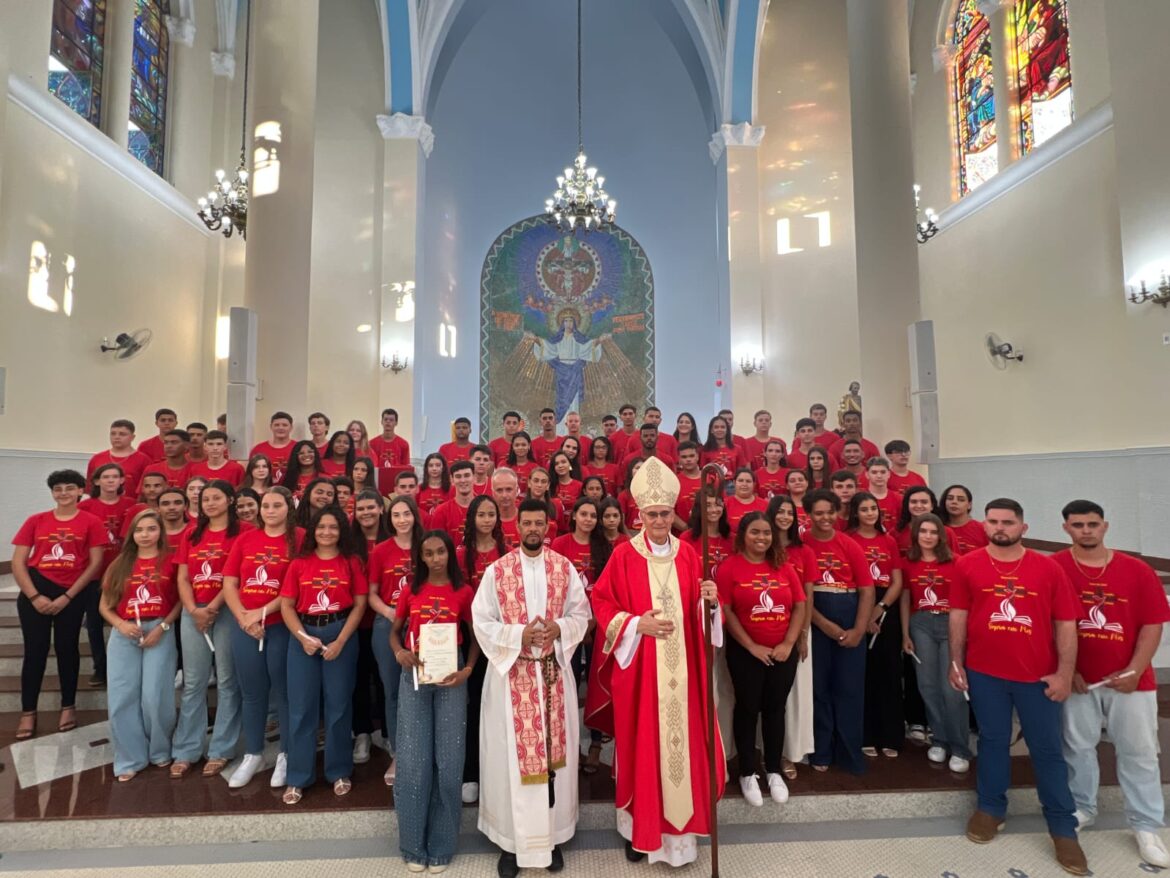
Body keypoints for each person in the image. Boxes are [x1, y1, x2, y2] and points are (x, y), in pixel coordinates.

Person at [589, 457, 725, 866]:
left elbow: (702, 613)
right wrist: (635, 623)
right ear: (640, 514)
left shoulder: (689, 556)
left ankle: (682, 837)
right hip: (643, 673)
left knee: (683, 747)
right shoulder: (624, 556)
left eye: (666, 513)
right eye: (652, 514)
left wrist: (711, 605)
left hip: (685, 674)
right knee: (642, 745)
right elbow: (601, 600)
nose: (660, 519)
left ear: (674, 512)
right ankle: (639, 831)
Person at [948, 499, 1087, 875]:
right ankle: (991, 809)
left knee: (1047, 750)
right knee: (992, 741)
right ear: (984, 524)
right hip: (985, 674)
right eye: (993, 521)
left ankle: (1062, 828)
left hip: (1037, 677)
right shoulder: (967, 564)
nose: (1000, 528)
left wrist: (1064, 673)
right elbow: (959, 615)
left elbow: (1066, 624)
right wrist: (956, 662)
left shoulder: (1048, 567)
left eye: (1008, 522)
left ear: (1023, 527)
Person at [472, 499, 591, 876]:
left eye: (540, 523)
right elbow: (482, 621)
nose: (533, 529)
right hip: (512, 679)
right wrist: (517, 634)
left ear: (548, 527)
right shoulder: (497, 571)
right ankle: (511, 844)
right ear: (517, 527)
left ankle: (552, 838)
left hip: (553, 674)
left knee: (554, 762)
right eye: (527, 523)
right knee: (509, 761)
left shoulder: (564, 567)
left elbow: (581, 614)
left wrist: (561, 629)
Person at [1055, 500, 1170, 868]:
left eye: (1092, 524)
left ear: (1105, 526)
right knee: (1077, 747)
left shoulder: (1137, 571)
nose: (1086, 530)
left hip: (1131, 682)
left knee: (1139, 752)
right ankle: (1082, 809)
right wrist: (1067, 668)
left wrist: (1135, 670)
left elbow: (1153, 624)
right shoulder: (1054, 567)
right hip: (1078, 681)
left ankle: (1146, 824)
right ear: (1066, 529)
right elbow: (1047, 623)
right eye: (1078, 525)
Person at [390, 530, 481, 872]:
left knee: (449, 761)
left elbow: (474, 638)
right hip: (414, 675)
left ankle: (442, 845)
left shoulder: (463, 591)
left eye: (440, 551)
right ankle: (413, 845)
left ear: (449, 553)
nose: (435, 558)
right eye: (428, 554)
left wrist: (468, 669)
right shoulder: (412, 591)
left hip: (451, 677)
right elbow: (394, 630)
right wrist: (399, 651)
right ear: (422, 558)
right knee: (414, 763)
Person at [279, 507, 368, 804]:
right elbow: (287, 606)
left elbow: (359, 603)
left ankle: (338, 770)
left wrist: (342, 640)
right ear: (313, 530)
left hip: (340, 632)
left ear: (341, 530)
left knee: (339, 706)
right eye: (321, 527)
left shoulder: (351, 562)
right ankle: (298, 776)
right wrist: (303, 638)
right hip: (305, 635)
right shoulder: (299, 564)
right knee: (302, 708)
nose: (327, 532)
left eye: (333, 527)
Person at [718, 511, 805, 807]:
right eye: (755, 532)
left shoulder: (784, 566)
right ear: (743, 535)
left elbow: (799, 607)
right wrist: (752, 646)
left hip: (783, 652)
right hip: (746, 653)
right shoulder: (729, 568)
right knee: (747, 708)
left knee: (775, 709)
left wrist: (788, 643)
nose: (762, 538)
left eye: (766, 533)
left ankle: (773, 769)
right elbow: (727, 612)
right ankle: (746, 771)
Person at [11, 470, 105, 739]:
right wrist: (34, 596)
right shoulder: (36, 520)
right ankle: (28, 712)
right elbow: (19, 562)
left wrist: (68, 596)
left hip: (72, 593)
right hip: (36, 589)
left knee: (67, 649)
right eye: (58, 489)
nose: (63, 493)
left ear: (80, 491)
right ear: (52, 493)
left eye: (69, 488)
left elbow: (95, 563)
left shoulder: (91, 521)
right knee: (35, 652)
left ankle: (68, 706)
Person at [221, 486, 302, 789]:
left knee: (283, 691)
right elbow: (230, 583)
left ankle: (285, 753)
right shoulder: (245, 539)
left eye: (276, 505)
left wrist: (261, 613)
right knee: (252, 692)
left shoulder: (300, 538)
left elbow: (295, 586)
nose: (269, 510)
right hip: (245, 626)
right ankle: (254, 753)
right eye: (265, 505)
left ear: (288, 507)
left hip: (281, 624)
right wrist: (244, 616)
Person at [171, 480, 248, 778]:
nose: (210, 503)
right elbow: (182, 577)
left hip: (227, 610)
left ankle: (221, 749)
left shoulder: (243, 532)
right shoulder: (192, 533)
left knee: (228, 680)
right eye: (205, 499)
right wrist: (193, 610)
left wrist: (213, 608)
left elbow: (238, 575)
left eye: (217, 498)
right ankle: (187, 748)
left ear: (230, 500)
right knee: (194, 682)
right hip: (194, 612)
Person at [98, 509, 180, 780]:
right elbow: (105, 605)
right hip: (125, 633)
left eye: (151, 529)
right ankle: (129, 758)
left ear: (160, 532)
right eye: (139, 530)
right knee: (122, 697)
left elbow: (180, 600)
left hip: (159, 630)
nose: (145, 535)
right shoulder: (120, 563)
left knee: (155, 696)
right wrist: (120, 625)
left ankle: (159, 749)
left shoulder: (171, 562)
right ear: (132, 534)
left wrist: (163, 626)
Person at [803, 489, 874, 774]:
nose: (825, 518)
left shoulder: (849, 544)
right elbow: (802, 594)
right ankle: (821, 750)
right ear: (809, 515)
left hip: (849, 611)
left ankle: (849, 752)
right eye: (818, 513)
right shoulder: (803, 544)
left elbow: (867, 589)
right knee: (819, 688)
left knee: (849, 688)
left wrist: (858, 629)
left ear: (838, 513)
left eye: (829, 512)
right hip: (815, 615)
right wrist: (821, 623)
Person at [899, 513, 972, 773]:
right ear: (916, 534)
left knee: (951, 688)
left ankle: (960, 748)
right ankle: (939, 739)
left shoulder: (958, 562)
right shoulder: (908, 563)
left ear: (941, 535)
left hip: (950, 624)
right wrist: (905, 633)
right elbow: (906, 599)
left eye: (933, 532)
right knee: (927, 686)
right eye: (923, 531)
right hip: (921, 625)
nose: (928, 536)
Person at [368, 494, 424, 786]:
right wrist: (391, 613)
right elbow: (371, 593)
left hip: (425, 625)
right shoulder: (380, 551)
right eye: (396, 515)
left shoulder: (426, 546)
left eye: (406, 514)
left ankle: (423, 748)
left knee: (423, 689)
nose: (402, 520)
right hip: (388, 624)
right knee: (392, 691)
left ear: (415, 515)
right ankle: (400, 751)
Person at [845, 492, 904, 759]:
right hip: (857, 603)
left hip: (885, 606)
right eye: (864, 509)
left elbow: (897, 581)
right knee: (863, 676)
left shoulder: (888, 540)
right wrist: (865, 616)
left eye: (874, 508)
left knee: (889, 673)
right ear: (855, 512)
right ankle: (865, 734)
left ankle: (890, 735)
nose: (870, 513)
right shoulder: (849, 539)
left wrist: (880, 610)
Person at [456, 494, 506, 802]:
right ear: (472, 518)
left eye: (492, 515)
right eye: (482, 514)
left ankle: (498, 771)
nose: (487, 520)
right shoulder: (461, 555)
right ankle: (471, 772)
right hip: (470, 634)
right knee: (473, 705)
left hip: (502, 637)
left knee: (499, 705)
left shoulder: (507, 554)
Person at [766, 495, 815, 780]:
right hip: (763, 629)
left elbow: (806, 597)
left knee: (793, 696)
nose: (784, 516)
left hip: (795, 631)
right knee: (765, 698)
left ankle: (789, 752)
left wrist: (803, 634)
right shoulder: (760, 543)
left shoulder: (803, 551)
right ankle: (765, 750)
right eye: (779, 512)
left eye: (789, 513)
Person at [80, 463, 139, 687]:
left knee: (125, 618)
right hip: (95, 571)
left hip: (125, 570)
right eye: (106, 477)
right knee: (94, 621)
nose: (111, 481)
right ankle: (100, 666)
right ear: (96, 482)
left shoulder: (131, 505)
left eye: (115, 477)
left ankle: (126, 666)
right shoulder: (86, 506)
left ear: (122, 481)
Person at [88, 419, 151, 497]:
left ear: (132, 437)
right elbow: (89, 487)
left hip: (132, 505)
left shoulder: (143, 460)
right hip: (101, 504)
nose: (117, 437)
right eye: (113, 434)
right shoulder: (97, 458)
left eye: (122, 434)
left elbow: (147, 488)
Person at [681, 492, 733, 579]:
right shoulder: (687, 538)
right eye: (708, 505)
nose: (713, 509)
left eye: (717, 504)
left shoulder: (732, 539)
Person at [427, 460, 476, 542]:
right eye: (458, 476)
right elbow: (436, 543)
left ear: (474, 477)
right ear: (452, 480)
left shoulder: (484, 507)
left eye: (467, 475)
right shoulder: (441, 511)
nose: (463, 480)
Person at [940, 485, 988, 555]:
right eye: (950, 498)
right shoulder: (937, 528)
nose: (954, 502)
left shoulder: (982, 529)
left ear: (969, 505)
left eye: (961, 499)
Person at [250, 411, 295, 483]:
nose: (280, 428)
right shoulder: (258, 449)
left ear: (291, 427)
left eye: (285, 425)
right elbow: (250, 473)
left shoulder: (298, 447)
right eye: (277, 425)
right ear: (271, 427)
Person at [865, 457, 902, 534]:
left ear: (889, 474)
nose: (879, 476)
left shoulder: (899, 498)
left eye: (883, 472)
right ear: (867, 475)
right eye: (874, 472)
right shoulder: (860, 498)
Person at [523, 468, 562, 542]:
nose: (539, 485)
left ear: (548, 486)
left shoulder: (556, 505)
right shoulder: (520, 507)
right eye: (536, 481)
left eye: (543, 482)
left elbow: (561, 532)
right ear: (529, 483)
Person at [673, 442, 703, 533]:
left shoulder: (711, 479)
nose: (688, 460)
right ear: (679, 459)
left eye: (691, 456)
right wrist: (687, 529)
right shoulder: (674, 482)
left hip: (707, 534)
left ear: (697, 456)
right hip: (681, 535)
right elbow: (668, 511)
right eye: (684, 457)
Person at [726, 468, 768, 532]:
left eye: (748, 481)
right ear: (734, 483)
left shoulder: (765, 505)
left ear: (754, 484)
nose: (744, 484)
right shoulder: (725, 504)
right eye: (740, 480)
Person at [493, 468, 523, 549]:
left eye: (509, 489)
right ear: (492, 492)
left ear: (517, 490)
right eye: (499, 490)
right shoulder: (486, 522)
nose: (504, 495)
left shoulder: (528, 520)